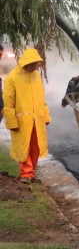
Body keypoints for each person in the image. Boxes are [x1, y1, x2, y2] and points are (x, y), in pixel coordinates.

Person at [2, 48, 51, 185]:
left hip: (37, 120)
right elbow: (8, 102)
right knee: (24, 147)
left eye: (37, 63)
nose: (36, 66)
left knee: (35, 147)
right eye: (34, 63)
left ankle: (31, 173)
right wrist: (12, 121)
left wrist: (45, 116)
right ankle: (26, 174)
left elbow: (42, 97)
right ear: (27, 62)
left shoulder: (36, 75)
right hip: (21, 120)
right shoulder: (12, 77)